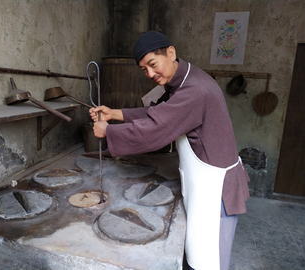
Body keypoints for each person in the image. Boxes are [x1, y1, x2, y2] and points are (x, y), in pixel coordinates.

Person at [89, 31, 250, 270]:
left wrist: (108, 132)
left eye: (153, 64)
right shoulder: (185, 81)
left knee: (210, 263)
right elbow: (163, 111)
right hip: (205, 187)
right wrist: (114, 114)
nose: (151, 74)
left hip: (216, 193)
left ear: (171, 52)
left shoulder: (196, 89)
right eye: (144, 70)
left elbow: (155, 129)